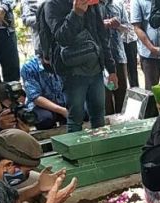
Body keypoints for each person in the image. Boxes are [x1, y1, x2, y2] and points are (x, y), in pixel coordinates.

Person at [45, 0, 118, 132]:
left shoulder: (92, 3)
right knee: (75, 119)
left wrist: (111, 69)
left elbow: (101, 36)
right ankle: (76, 152)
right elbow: (62, 37)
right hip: (72, 73)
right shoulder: (52, 4)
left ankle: (99, 150)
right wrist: (76, 13)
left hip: (96, 70)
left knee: (99, 117)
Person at [21, 55, 67, 130]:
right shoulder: (29, 67)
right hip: (42, 106)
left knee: (84, 111)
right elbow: (35, 97)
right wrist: (62, 111)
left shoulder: (64, 60)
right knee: (45, 119)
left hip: (64, 101)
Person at [103, 0, 130, 115]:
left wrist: (118, 26)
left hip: (118, 56)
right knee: (105, 97)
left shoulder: (118, 5)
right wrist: (103, 24)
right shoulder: (93, 6)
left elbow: (127, 28)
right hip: (101, 59)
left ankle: (122, 123)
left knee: (122, 94)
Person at [131, 0, 160, 90]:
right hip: (149, 54)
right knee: (151, 89)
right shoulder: (137, 1)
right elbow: (137, 28)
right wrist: (152, 48)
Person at [122, 0, 139, 88]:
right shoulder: (116, 2)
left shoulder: (134, 1)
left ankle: (135, 90)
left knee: (133, 68)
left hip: (132, 39)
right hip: (119, 41)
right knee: (120, 69)